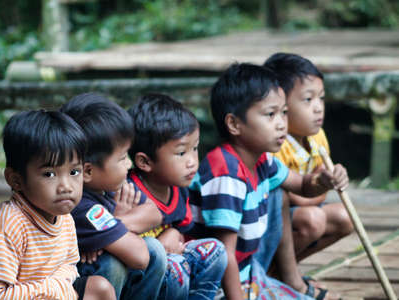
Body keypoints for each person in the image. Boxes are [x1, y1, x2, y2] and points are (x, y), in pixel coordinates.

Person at [189, 63, 348, 300]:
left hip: (250, 273)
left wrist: (324, 180)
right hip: (215, 288)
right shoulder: (226, 174)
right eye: (270, 114)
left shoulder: (262, 160)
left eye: (284, 112)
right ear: (234, 124)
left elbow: (303, 185)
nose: (282, 123)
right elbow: (224, 255)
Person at [0, 110, 115, 300]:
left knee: (100, 289)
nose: (66, 187)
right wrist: (55, 288)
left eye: (74, 172)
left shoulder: (64, 217)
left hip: (49, 293)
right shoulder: (8, 227)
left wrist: (58, 287)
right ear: (16, 180)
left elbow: (69, 267)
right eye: (49, 174)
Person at [60, 93, 167, 300]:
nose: (129, 164)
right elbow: (139, 257)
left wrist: (113, 226)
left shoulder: (108, 185)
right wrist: (113, 232)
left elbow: (155, 213)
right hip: (77, 287)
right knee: (116, 261)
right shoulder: (81, 206)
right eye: (122, 158)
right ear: (88, 171)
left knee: (154, 247)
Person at [127, 93, 228, 300]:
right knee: (175, 265)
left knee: (215, 250)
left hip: (173, 267)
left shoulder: (178, 189)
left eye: (195, 148)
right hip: (141, 279)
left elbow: (181, 232)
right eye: (181, 153)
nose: (192, 161)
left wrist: (174, 234)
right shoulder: (129, 192)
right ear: (145, 162)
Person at [265, 52, 354, 261]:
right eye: (308, 99)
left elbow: (320, 176)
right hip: (271, 222)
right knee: (313, 220)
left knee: (345, 217)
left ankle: (283, 274)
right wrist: (319, 185)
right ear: (281, 104)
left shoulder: (317, 137)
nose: (318, 107)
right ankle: (269, 274)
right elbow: (286, 196)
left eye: (321, 98)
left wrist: (330, 179)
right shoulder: (274, 143)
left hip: (304, 208)